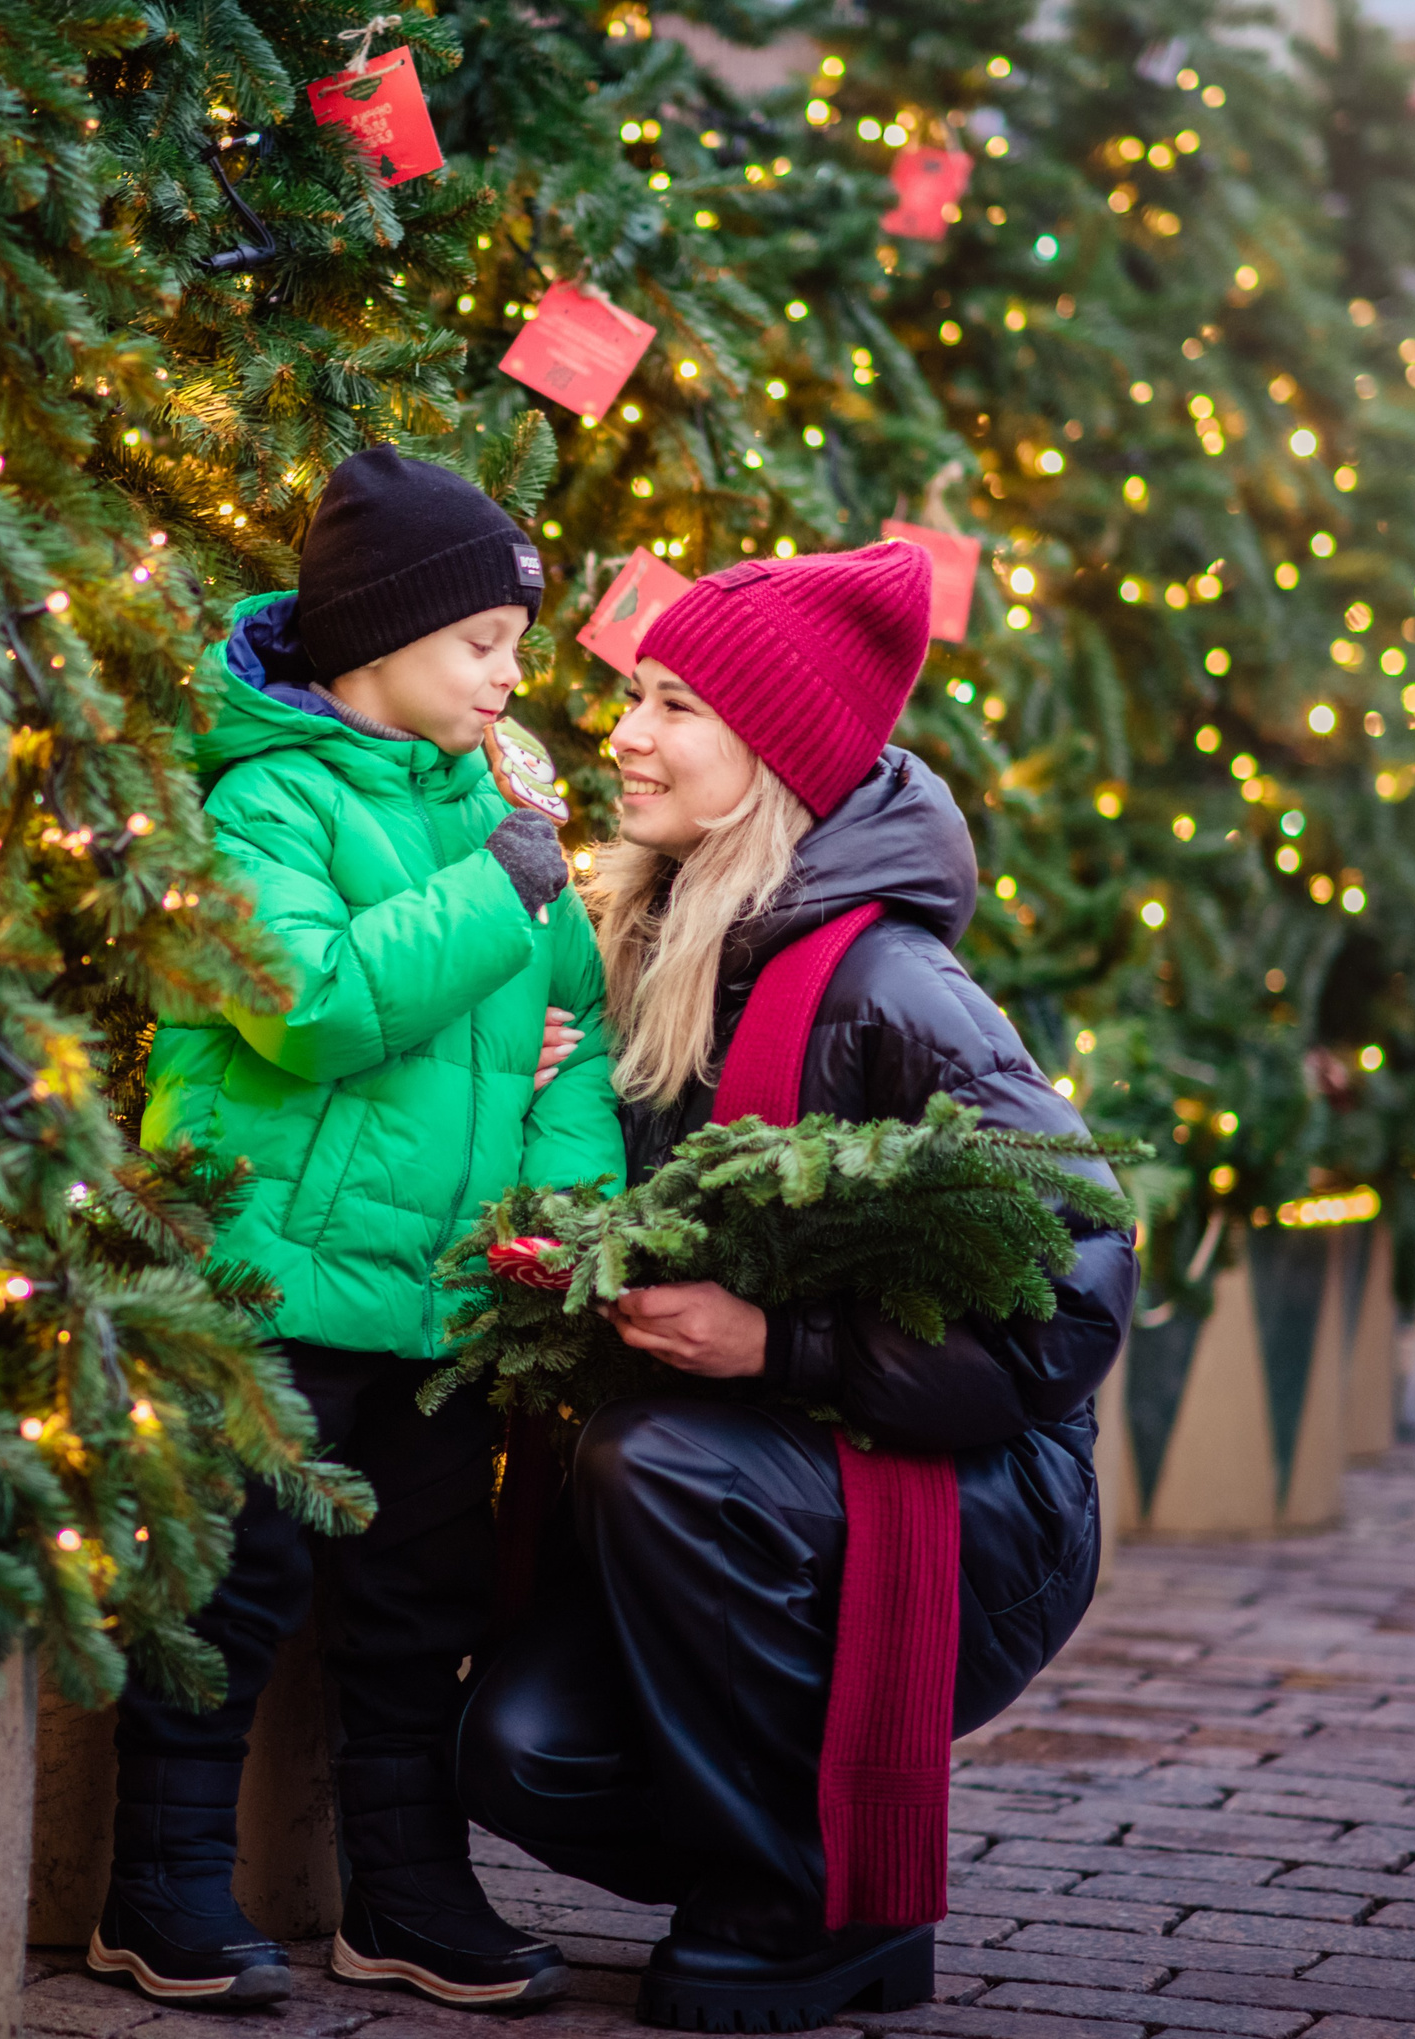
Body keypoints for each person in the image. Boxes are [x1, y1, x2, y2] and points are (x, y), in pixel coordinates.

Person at [454, 542, 1137, 2032]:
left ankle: (813, 1913)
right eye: (635, 695)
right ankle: (780, 1866)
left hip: (974, 1502)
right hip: (764, 1472)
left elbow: (1078, 1279)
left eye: (677, 706)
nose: (627, 733)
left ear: (770, 755)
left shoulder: (890, 985)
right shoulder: (648, 939)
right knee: (518, 1751)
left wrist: (785, 1342)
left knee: (660, 1460)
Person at [98, 447, 623, 2011]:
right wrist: (501, 897)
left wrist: (563, 1214)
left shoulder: (502, 807)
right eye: (482, 644)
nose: (507, 677)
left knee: (419, 1610)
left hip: (445, 1295)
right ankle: (160, 1887)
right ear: (380, 641)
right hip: (282, 1279)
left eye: (517, 650)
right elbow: (308, 1005)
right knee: (233, 1577)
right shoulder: (262, 800)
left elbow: (573, 1035)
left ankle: (402, 1894)